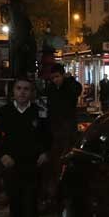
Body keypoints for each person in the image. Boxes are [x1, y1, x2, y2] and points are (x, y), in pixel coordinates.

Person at [0, 77, 51, 217]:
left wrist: (45, 152)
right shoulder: (3, 112)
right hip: (12, 165)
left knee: (31, 204)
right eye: (19, 88)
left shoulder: (40, 113)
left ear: (32, 92)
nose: (22, 92)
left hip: (33, 165)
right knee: (16, 204)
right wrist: (2, 155)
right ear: (13, 92)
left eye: (26, 89)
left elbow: (48, 136)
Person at [44, 64, 81, 204]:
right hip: (56, 129)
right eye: (53, 78)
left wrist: (69, 80)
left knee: (64, 161)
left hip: (67, 129)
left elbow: (77, 90)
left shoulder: (70, 87)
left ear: (62, 75)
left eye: (57, 77)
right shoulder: (52, 89)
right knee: (55, 163)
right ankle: (53, 195)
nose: (55, 80)